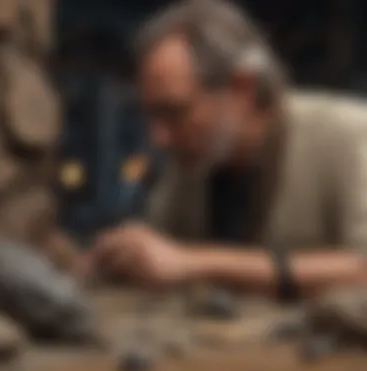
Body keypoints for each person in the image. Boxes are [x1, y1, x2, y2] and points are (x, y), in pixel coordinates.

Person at [92, 0, 367, 299]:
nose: (160, 138)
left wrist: (195, 263)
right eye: (153, 116)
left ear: (243, 89)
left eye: (174, 113)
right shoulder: (195, 164)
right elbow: (165, 254)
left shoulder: (349, 139)